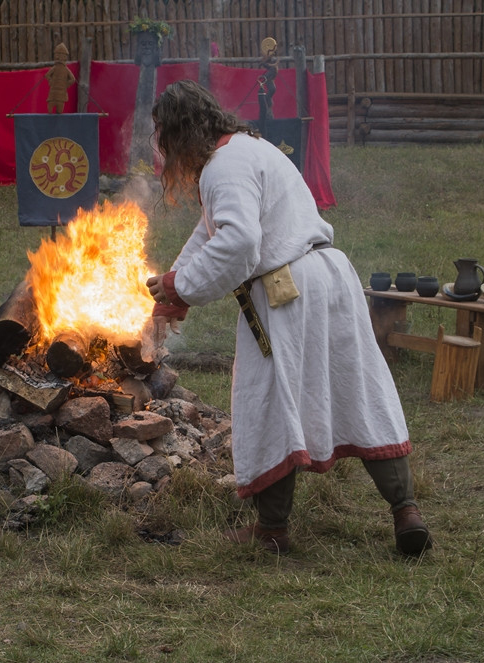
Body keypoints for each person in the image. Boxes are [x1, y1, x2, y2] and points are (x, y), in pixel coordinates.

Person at [145, 80, 432, 556]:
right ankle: (406, 511)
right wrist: (178, 286)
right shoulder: (250, 150)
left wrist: (182, 287)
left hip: (287, 291)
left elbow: (237, 242)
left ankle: (273, 529)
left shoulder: (222, 169)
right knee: (359, 388)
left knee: (269, 400)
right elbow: (209, 231)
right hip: (331, 278)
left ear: (179, 134)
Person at [45, 43, 76, 114]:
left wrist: (66, 85)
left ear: (65, 57)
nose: (59, 57)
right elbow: (47, 75)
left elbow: (73, 79)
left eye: (62, 55)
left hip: (62, 94)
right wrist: (51, 81)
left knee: (59, 112)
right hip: (53, 93)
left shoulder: (66, 70)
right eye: (58, 55)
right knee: (50, 111)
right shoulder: (55, 68)